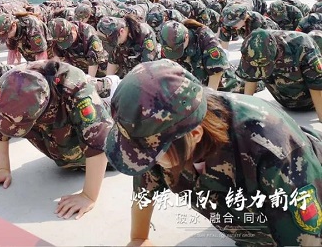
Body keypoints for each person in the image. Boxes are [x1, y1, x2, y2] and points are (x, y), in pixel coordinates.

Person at [105, 59, 322, 247]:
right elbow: (144, 190)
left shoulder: (272, 148)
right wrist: (139, 238)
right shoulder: (157, 134)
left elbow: (308, 238)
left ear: (195, 135)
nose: (147, 162)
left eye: (150, 154)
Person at [0, 61, 113, 220]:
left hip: (105, 116)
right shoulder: (9, 84)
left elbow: (99, 141)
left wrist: (88, 196)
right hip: (59, 137)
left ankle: (111, 84)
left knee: (115, 151)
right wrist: (3, 169)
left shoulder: (75, 89)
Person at [236, 28, 322, 121]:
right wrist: (245, 110)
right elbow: (251, 78)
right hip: (285, 102)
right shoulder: (251, 48)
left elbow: (316, 84)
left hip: (312, 103)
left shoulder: (302, 45)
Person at [159, 19, 261, 93]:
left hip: (223, 86)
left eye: (177, 49)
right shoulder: (169, 40)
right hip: (197, 84)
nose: (174, 53)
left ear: (186, 37)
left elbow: (215, 77)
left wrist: (207, 104)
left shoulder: (206, 40)